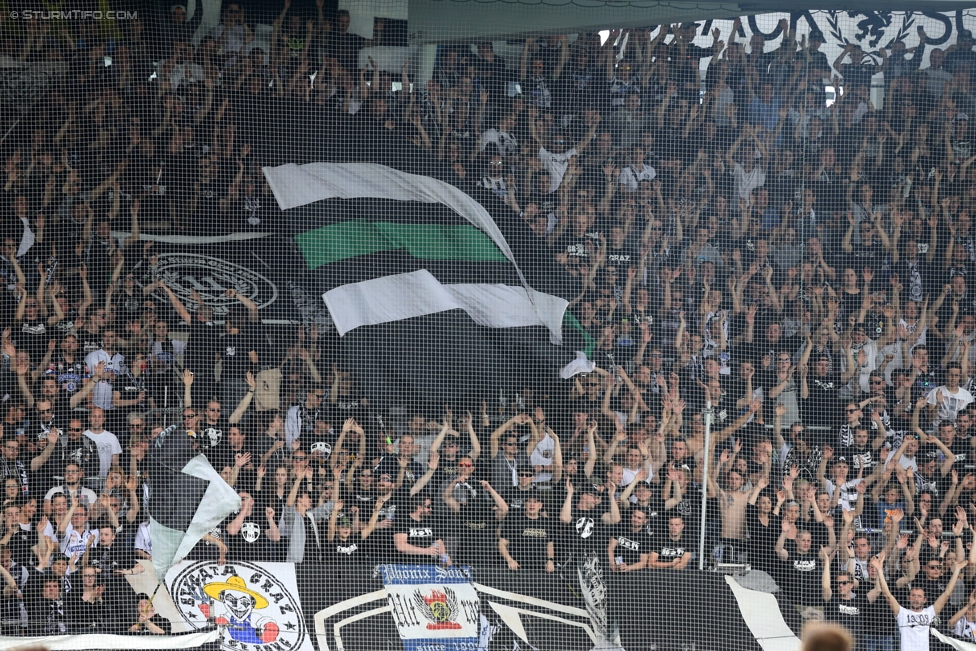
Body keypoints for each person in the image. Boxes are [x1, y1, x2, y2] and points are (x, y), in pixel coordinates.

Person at [872, 551, 967, 651]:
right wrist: (879, 569)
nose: (916, 599)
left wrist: (956, 571)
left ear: (925, 600)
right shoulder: (902, 613)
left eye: (919, 596)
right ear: (908, 598)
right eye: (913, 596)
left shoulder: (929, 612)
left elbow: (947, 593)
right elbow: (887, 594)